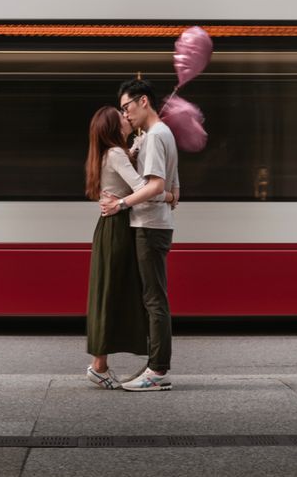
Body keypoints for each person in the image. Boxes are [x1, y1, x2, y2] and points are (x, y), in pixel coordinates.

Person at [85, 105, 175, 390]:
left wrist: (133, 153)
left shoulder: (108, 153)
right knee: (112, 293)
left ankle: (101, 365)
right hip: (119, 227)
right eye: (121, 116)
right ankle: (99, 367)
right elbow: (143, 188)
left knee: (109, 292)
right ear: (114, 127)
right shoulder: (115, 154)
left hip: (110, 227)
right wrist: (170, 194)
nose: (127, 118)